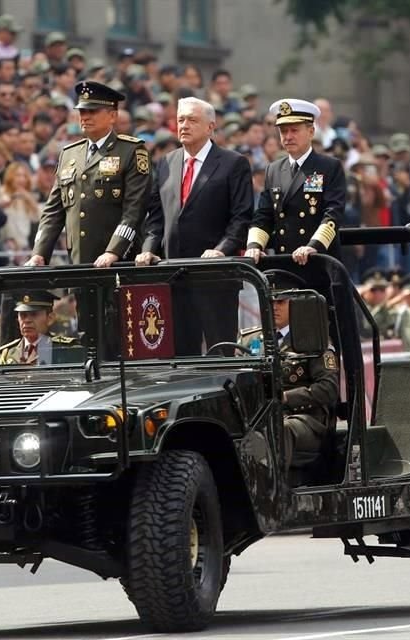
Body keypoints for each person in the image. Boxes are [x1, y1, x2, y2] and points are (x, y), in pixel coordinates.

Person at [137, 96, 253, 354]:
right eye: (180, 120)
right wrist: (148, 247)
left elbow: (241, 217)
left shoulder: (233, 163)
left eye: (192, 120)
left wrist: (222, 250)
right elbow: (156, 217)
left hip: (215, 277)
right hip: (173, 275)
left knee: (220, 351)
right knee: (180, 355)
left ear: (211, 126)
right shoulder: (166, 162)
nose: (184, 125)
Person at [27, 81, 151, 267]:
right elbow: (53, 211)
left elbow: (134, 209)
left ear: (112, 116)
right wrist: (39, 253)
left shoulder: (131, 151)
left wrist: (114, 251)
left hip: (120, 262)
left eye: (92, 112)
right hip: (79, 261)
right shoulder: (69, 154)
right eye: (82, 112)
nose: (85, 117)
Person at [239, 290, 339, 468]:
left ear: (295, 304)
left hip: (304, 418)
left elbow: (328, 388)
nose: (274, 307)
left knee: (279, 429)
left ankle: (272, 489)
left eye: (281, 302)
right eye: (271, 302)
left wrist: (285, 397)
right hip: (257, 415)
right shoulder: (250, 340)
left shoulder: (313, 339)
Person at [244, 98, 346, 266]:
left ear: (311, 131)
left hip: (318, 260)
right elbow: (264, 214)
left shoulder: (329, 166)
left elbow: (332, 213)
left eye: (294, 130)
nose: (288, 137)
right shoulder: (273, 169)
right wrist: (254, 245)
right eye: (283, 131)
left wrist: (314, 246)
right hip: (284, 261)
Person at [0, 291, 79, 365]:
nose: (27, 320)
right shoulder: (7, 353)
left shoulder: (66, 351)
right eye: (23, 315)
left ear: (50, 318)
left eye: (34, 314)